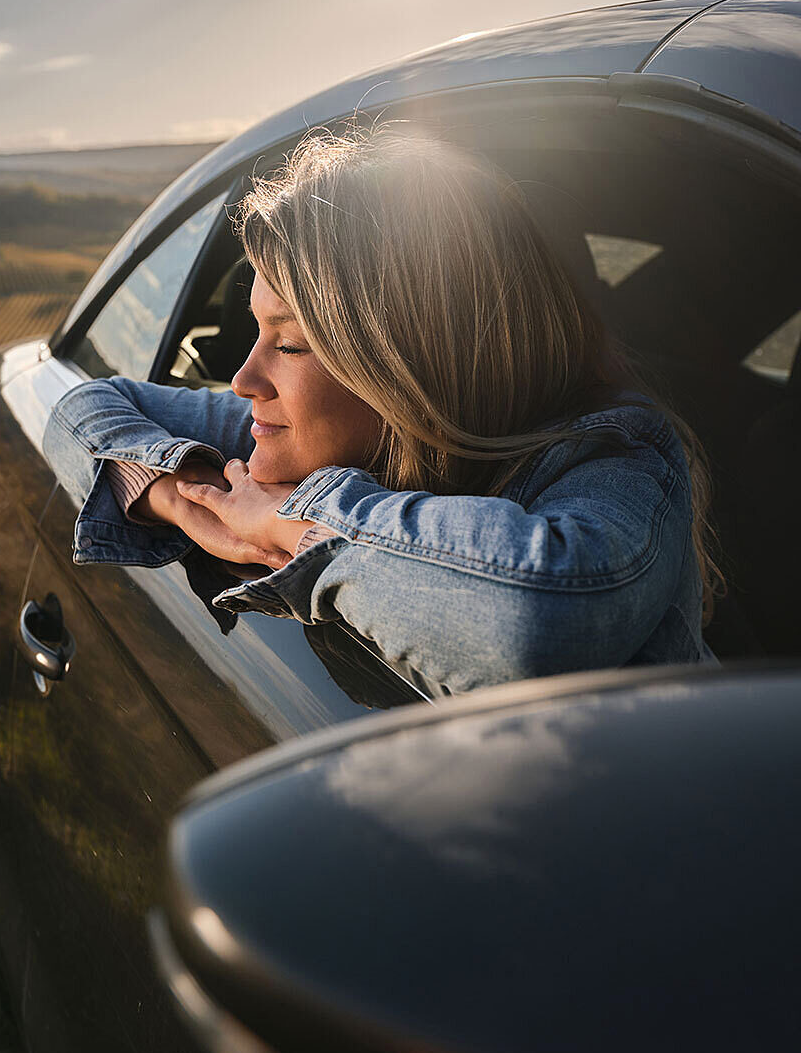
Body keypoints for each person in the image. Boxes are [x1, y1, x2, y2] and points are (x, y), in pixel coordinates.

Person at [46, 126, 720, 697]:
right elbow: (85, 408)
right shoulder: (298, 436)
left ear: (410, 364)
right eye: (257, 335)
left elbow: (540, 615)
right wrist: (183, 500)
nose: (246, 377)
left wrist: (294, 523)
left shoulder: (619, 460)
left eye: (290, 343)